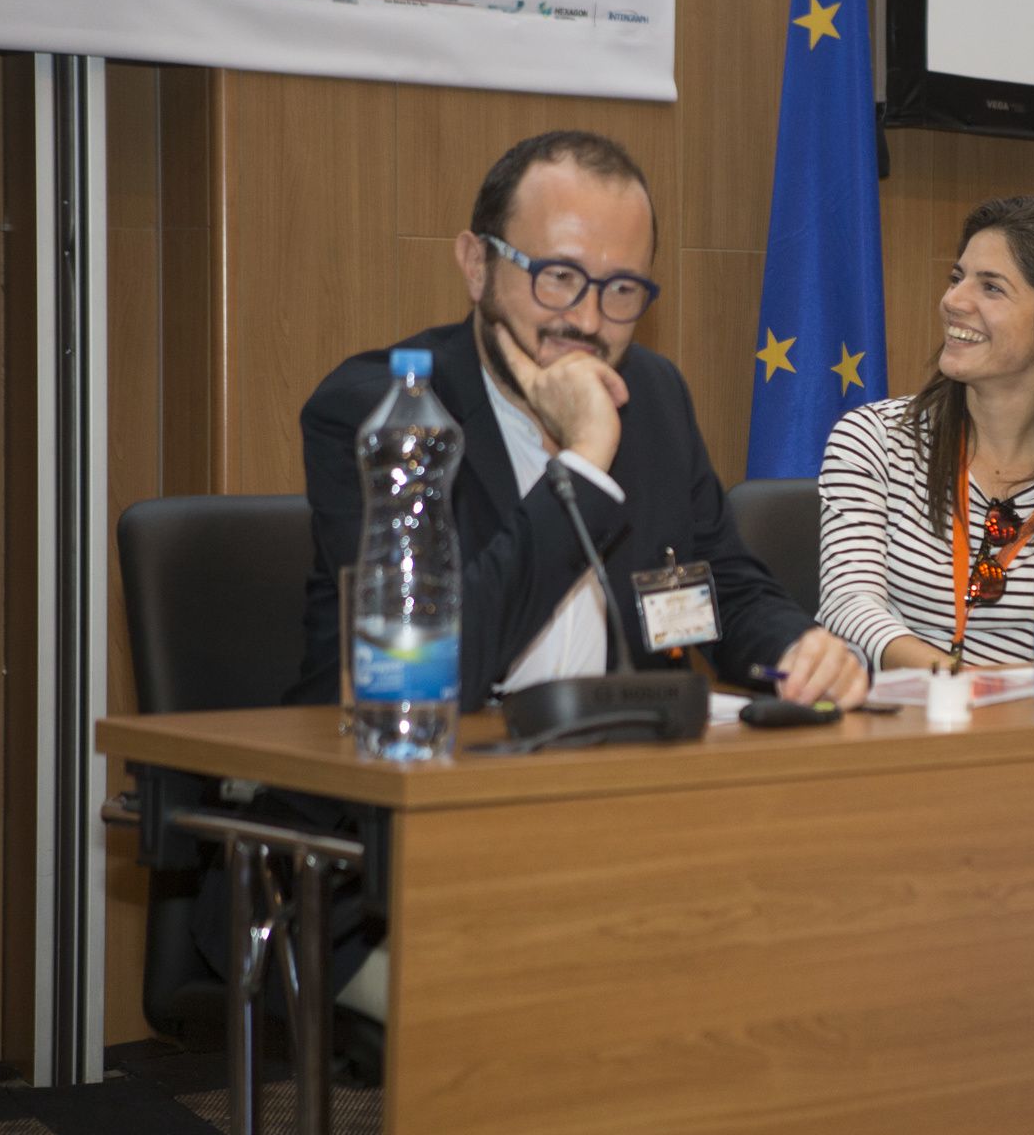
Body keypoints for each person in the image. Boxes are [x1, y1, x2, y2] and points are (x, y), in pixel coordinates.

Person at [288, 129, 866, 712]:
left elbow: (725, 591)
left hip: (612, 755)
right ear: (477, 265)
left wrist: (798, 648)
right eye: (559, 276)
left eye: (622, 288)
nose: (588, 321)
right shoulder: (383, 416)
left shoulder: (654, 396)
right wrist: (585, 463)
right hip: (404, 755)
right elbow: (420, 666)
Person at [817, 196, 1034, 669]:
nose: (953, 301)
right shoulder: (875, 438)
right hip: (903, 708)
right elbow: (847, 604)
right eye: (956, 278)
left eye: (991, 288)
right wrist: (961, 684)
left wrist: (1007, 698)